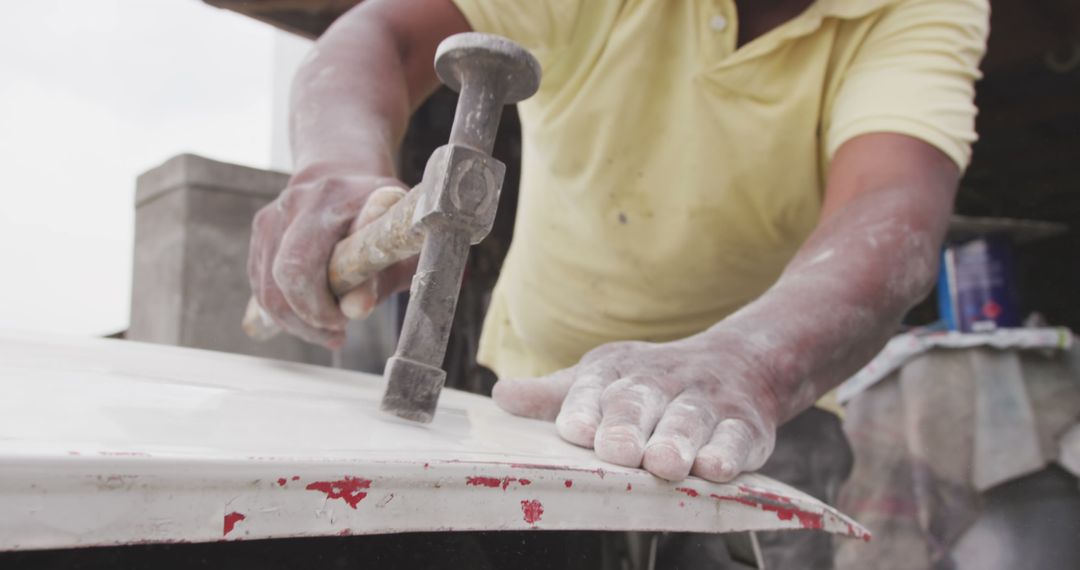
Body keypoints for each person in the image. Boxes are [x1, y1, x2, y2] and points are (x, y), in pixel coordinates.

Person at [248, 0, 988, 564]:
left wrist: (750, 364)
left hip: (760, 419)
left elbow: (889, 207)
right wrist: (335, 165)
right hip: (526, 396)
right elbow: (388, 32)